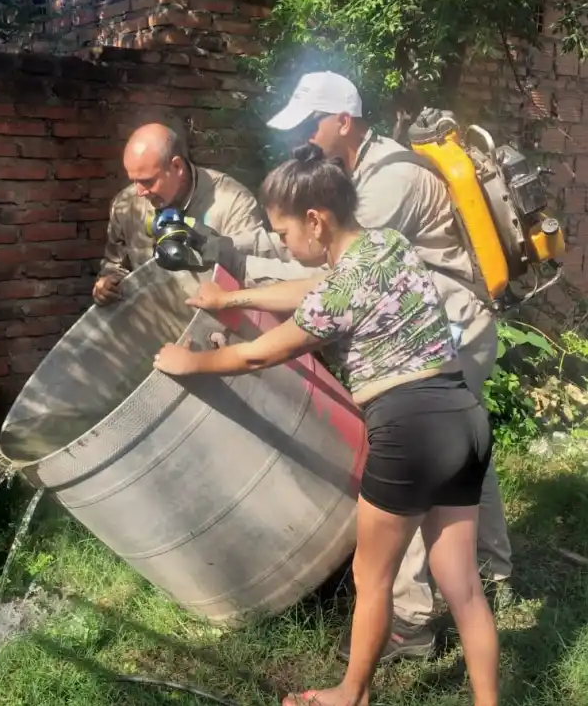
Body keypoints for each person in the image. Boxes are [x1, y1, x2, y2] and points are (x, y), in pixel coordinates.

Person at [154, 144, 500, 706]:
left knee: (373, 577)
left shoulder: (341, 288)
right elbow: (313, 293)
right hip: (462, 417)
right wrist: (233, 296)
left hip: (408, 430)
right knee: (460, 584)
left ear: (316, 221)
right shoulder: (388, 245)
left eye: (285, 234)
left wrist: (189, 361)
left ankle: (353, 693)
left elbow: (256, 355)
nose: (285, 245)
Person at [227, 72, 512, 661]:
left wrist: (241, 280)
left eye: (311, 124)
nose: (302, 138)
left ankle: (409, 620)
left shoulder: (392, 181)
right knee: (458, 457)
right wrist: (239, 256)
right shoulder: (358, 176)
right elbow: (297, 246)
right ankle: (492, 572)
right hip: (447, 333)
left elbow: (331, 277)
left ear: (343, 122)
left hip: (445, 334)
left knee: (410, 477)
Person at [92, 122, 265, 306]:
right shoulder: (126, 205)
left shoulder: (233, 203)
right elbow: (115, 266)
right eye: (134, 181)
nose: (139, 191)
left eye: (147, 181)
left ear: (177, 167)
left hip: (217, 322)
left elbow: (256, 279)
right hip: (154, 323)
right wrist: (106, 286)